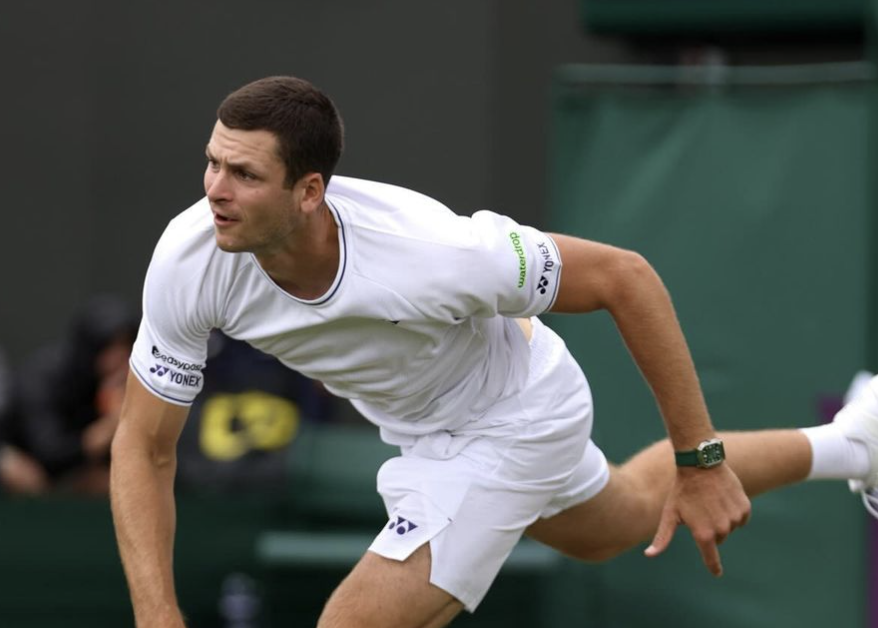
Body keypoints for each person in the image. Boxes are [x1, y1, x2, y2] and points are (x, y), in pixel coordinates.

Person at [109, 75, 878, 628]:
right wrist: (157, 615)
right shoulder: (191, 257)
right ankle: (854, 444)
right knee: (625, 518)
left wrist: (702, 459)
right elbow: (143, 449)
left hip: (517, 417)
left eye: (244, 174)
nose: (215, 189)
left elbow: (625, 278)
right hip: (423, 429)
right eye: (212, 162)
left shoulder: (437, 252)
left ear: (309, 192)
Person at [3, 295, 136, 495]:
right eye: (110, 348)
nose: (118, 358)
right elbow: (48, 451)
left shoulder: (127, 386)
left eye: (125, 347)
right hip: (24, 459)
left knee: (118, 480)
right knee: (21, 473)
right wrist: (108, 426)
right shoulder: (43, 377)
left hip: (73, 471)